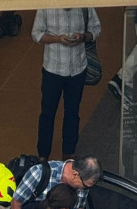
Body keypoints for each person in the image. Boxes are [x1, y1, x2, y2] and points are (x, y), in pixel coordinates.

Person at [32, 8, 102, 160]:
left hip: (78, 68)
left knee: (72, 113)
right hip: (52, 69)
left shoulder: (84, 5)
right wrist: (57, 39)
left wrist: (83, 37)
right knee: (47, 114)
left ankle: (69, 154)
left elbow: (96, 29)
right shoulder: (46, 6)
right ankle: (43, 156)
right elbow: (36, 34)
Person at [9, 155, 101, 209]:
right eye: (85, 186)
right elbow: (16, 202)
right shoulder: (39, 172)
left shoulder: (84, 182)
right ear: (75, 174)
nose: (84, 189)